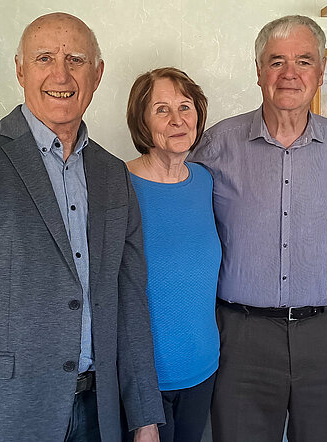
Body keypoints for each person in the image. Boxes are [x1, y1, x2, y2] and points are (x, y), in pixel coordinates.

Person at [0, 12, 164, 441]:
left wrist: (144, 417)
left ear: (97, 74)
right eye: (44, 58)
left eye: (76, 59)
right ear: (20, 70)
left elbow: (129, 303)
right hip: (2, 417)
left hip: (99, 416)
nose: (61, 74)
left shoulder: (113, 173)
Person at [188, 14, 327, 442]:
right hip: (241, 335)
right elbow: (181, 214)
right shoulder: (218, 144)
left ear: (321, 71)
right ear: (259, 71)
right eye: (277, 61)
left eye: (303, 61)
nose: (290, 73)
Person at [124, 67, 220, 442]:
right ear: (142, 121)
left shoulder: (205, 180)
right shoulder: (117, 185)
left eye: (185, 106)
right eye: (162, 109)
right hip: (143, 381)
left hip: (203, 369)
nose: (177, 120)